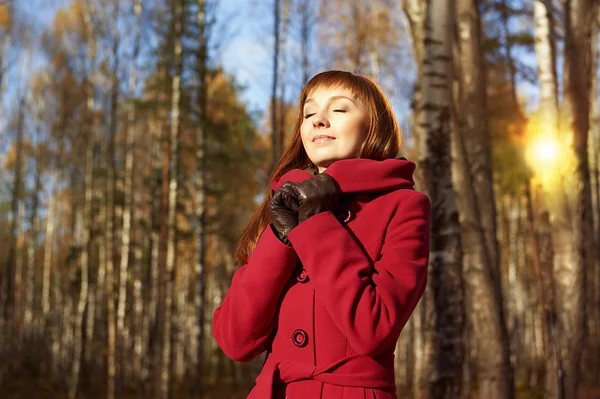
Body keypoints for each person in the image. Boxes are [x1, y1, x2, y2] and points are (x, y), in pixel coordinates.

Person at [212, 70, 431, 399]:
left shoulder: (404, 205)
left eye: (339, 109)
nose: (318, 121)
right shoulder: (282, 204)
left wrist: (316, 225)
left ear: (375, 125)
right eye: (309, 113)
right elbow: (235, 340)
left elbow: (374, 328)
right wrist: (281, 238)